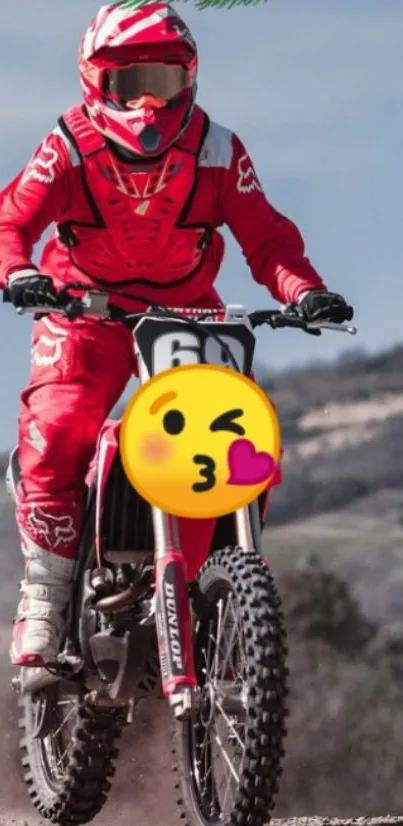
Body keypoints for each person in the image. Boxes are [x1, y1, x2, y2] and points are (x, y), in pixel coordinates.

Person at [0, 0, 353, 667]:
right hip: (85, 310)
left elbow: (267, 237)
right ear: (94, 82)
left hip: (187, 313)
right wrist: (18, 273)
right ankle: (45, 596)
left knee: (227, 434)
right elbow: (10, 220)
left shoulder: (217, 150)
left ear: (187, 80)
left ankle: (209, 582)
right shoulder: (67, 145)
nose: (145, 105)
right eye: (127, 84)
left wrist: (303, 290)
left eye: (160, 83)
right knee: (62, 423)